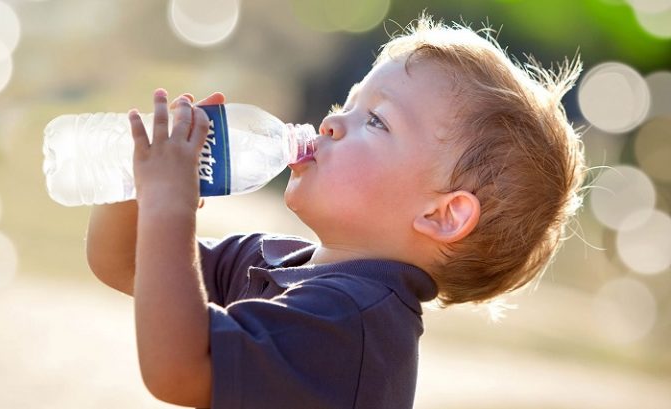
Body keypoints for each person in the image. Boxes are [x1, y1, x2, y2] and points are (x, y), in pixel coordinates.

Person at [85, 14, 585, 409]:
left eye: (375, 120)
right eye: (346, 103)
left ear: (442, 215)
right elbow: (125, 260)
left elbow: (177, 370)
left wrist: (170, 206)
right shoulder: (278, 261)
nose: (330, 123)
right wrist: (137, 180)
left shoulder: (352, 321)